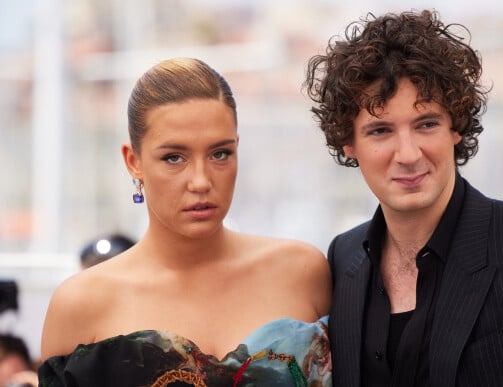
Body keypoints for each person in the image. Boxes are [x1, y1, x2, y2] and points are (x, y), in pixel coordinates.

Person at [304, 9, 503, 387]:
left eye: (426, 124)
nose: (408, 154)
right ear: (348, 144)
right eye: (381, 131)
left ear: (456, 127)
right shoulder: (343, 257)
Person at [38, 57, 332, 386]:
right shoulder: (81, 303)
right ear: (133, 161)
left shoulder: (302, 272)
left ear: (237, 149)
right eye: (173, 157)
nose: (201, 181)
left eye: (219, 153)